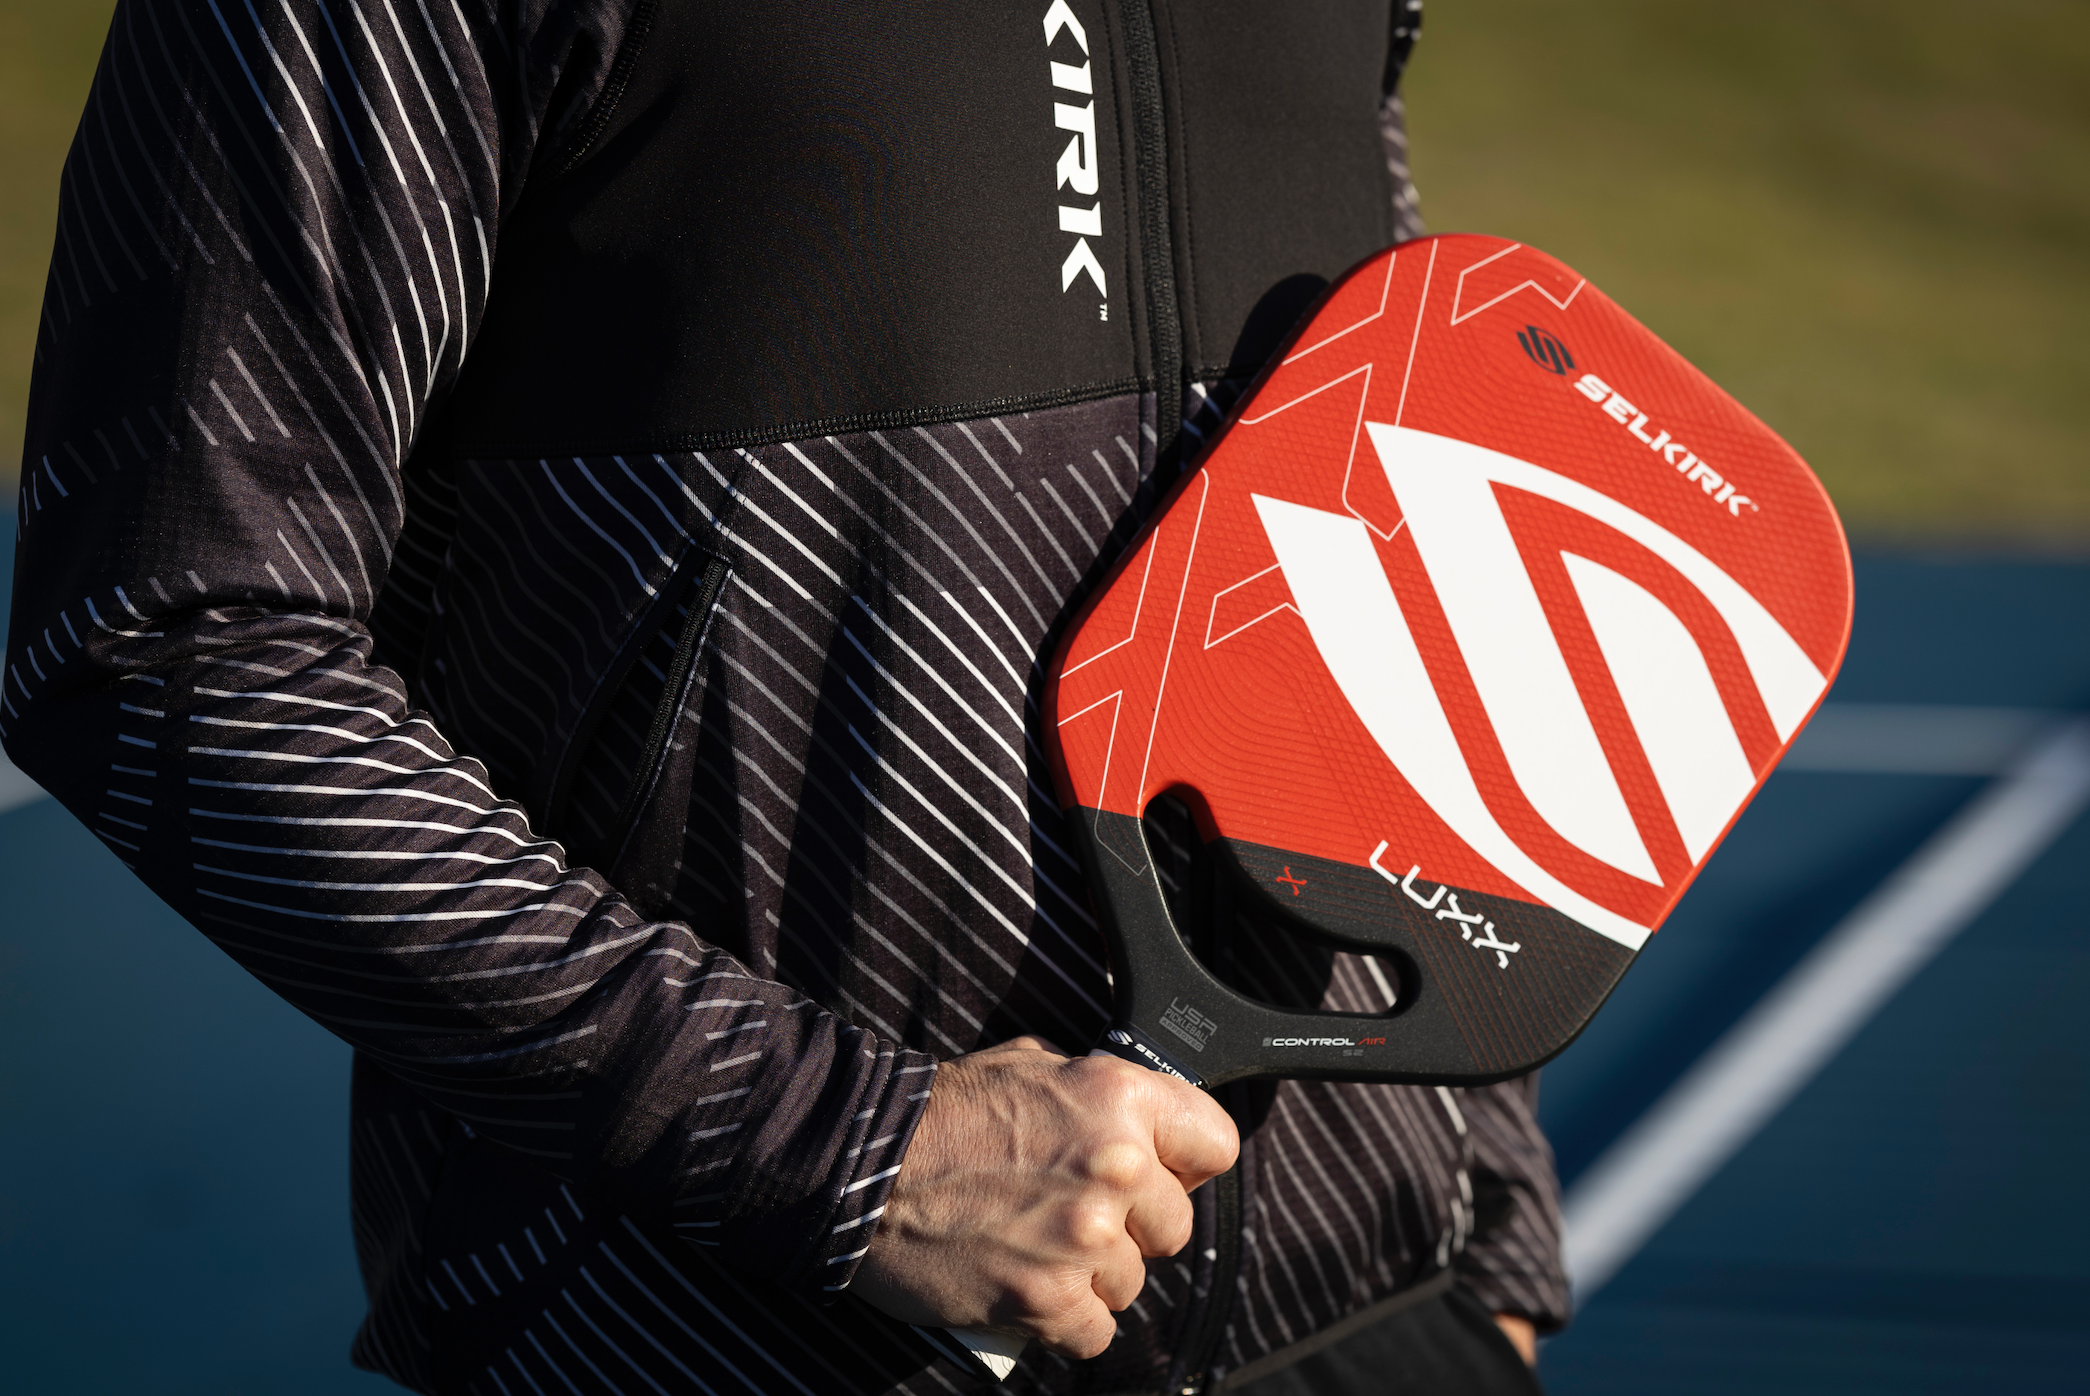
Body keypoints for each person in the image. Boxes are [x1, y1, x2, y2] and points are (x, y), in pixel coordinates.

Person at [5, 1, 1567, 1391]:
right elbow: (169, 632)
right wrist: (846, 1150)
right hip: (727, 1332)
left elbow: (1384, 510)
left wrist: (1486, 1213)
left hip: (1379, 1315)